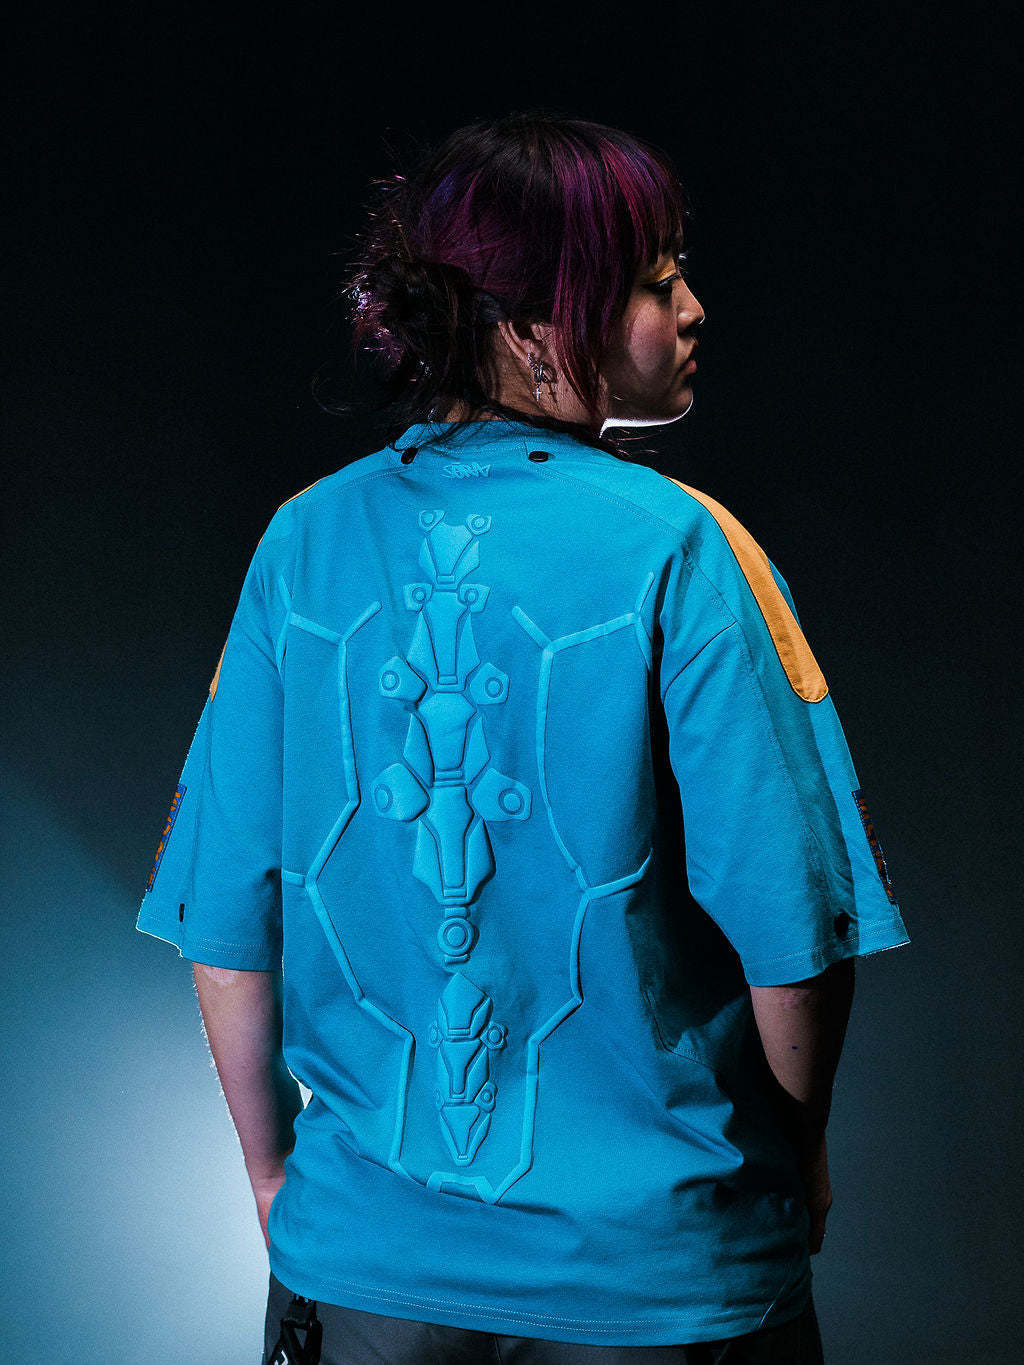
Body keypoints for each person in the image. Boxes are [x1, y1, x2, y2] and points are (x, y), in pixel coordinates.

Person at [136, 110, 911, 1364]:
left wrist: (279, 1182)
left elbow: (226, 931)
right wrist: (796, 1159)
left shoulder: (303, 542)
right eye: (654, 281)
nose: (693, 310)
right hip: (660, 1287)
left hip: (367, 1275)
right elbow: (794, 945)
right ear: (530, 322)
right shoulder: (684, 547)